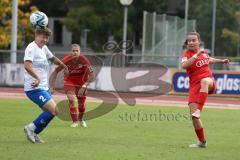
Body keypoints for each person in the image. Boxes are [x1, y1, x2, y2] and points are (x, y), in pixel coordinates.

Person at [181, 32, 229, 148]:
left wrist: (221, 61)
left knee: (205, 81)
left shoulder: (203, 53)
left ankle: (199, 110)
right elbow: (184, 65)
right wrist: (196, 55)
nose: (191, 42)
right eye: (189, 41)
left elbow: (209, 59)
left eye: (194, 40)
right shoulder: (187, 55)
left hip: (209, 82)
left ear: (199, 41)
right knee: (193, 116)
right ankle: (202, 142)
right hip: (194, 86)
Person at [23, 27, 68, 143]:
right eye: (43, 37)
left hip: (43, 87)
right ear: (36, 35)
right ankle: (30, 128)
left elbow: (52, 58)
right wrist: (37, 78)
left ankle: (35, 133)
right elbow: (27, 65)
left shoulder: (43, 48)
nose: (45, 39)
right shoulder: (31, 48)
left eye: (47, 37)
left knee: (49, 113)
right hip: (34, 88)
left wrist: (64, 65)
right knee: (55, 110)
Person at [50, 44, 94, 128]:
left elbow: (92, 76)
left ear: (79, 52)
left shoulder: (84, 60)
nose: (75, 52)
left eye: (77, 51)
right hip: (69, 81)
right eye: (73, 51)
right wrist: (52, 86)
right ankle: (74, 122)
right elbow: (55, 71)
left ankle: (80, 119)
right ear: (71, 52)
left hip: (81, 82)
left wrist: (84, 86)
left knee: (81, 104)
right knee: (71, 99)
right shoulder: (66, 60)